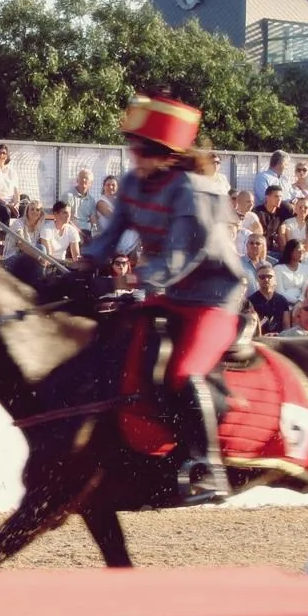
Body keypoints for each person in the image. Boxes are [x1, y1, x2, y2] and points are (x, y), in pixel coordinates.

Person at [78, 95, 246, 505]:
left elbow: (180, 255)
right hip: (171, 295)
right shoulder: (134, 182)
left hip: (213, 298)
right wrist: (83, 265)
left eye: (141, 149)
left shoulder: (193, 190)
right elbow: (110, 234)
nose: (133, 155)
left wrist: (140, 283)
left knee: (183, 373)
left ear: (167, 155)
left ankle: (208, 468)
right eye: (132, 147)